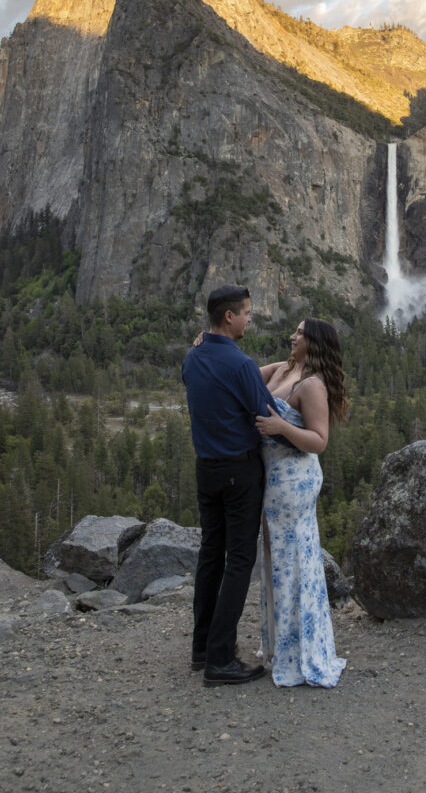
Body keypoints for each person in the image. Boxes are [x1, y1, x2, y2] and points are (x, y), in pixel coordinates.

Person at [181, 284, 278, 687]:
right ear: (229, 316)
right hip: (240, 472)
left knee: (211, 555)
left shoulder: (192, 357)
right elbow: (267, 412)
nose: (250, 319)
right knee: (239, 560)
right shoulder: (240, 365)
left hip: (206, 469)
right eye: (247, 313)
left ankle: (202, 648)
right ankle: (221, 659)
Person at [255, 317, 348, 687]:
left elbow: (319, 440)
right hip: (272, 477)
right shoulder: (283, 369)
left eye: (299, 333)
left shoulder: (311, 385)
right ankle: (284, 648)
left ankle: (300, 654)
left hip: (294, 479)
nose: (292, 336)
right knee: (277, 559)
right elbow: (242, 373)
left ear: (314, 342)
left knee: (292, 559)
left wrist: (282, 427)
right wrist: (209, 340)